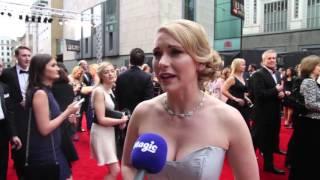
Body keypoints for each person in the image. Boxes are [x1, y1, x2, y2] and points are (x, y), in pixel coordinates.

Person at [121, 19, 259, 180]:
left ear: (200, 61)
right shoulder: (143, 112)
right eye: (157, 54)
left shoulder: (229, 118)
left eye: (175, 52)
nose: (162, 63)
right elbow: (127, 165)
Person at [25, 54, 79, 180]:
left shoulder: (46, 91)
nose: (58, 69)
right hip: (45, 153)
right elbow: (44, 129)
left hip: (53, 149)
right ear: (41, 69)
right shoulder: (40, 93)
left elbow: (49, 118)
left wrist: (65, 116)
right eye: (53, 65)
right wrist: (66, 112)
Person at [90, 62, 128, 180]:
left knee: (114, 168)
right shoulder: (99, 92)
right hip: (102, 133)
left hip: (109, 132)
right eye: (106, 72)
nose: (111, 74)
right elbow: (101, 119)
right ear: (101, 76)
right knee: (115, 170)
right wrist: (122, 120)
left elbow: (110, 112)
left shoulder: (110, 90)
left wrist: (121, 120)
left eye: (112, 70)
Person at [251, 49, 286, 175]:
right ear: (263, 61)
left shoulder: (276, 74)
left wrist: (281, 94)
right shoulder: (257, 75)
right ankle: (246, 161)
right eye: (269, 58)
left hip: (274, 112)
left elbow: (273, 92)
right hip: (262, 114)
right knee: (256, 138)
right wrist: (275, 90)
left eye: (273, 58)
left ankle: (268, 165)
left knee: (270, 139)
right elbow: (258, 95)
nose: (272, 60)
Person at [0, 46, 31, 179]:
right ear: (16, 57)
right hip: (15, 117)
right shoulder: (7, 73)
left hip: (33, 115)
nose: (27, 58)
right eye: (24, 55)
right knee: (19, 150)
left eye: (29, 55)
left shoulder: (36, 73)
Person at [287, 55, 320, 180]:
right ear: (311, 66)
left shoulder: (312, 81)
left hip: (311, 122)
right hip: (311, 123)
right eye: (318, 65)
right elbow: (310, 104)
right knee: (309, 153)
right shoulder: (309, 82)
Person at [52, 63, 79, 175]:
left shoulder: (50, 88)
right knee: (67, 144)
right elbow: (71, 102)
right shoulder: (69, 87)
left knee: (58, 148)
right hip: (68, 120)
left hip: (56, 120)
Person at [222, 58, 251, 126]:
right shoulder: (232, 78)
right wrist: (235, 98)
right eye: (243, 65)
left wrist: (246, 98)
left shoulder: (243, 77)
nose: (245, 66)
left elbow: (240, 91)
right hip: (234, 105)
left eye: (245, 65)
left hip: (243, 104)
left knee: (245, 124)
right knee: (235, 125)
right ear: (237, 66)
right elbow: (223, 90)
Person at [0, 59, 14, 180]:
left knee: (3, 159)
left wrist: (13, 133)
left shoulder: (5, 87)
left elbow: (10, 111)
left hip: (2, 127)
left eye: (0, 66)